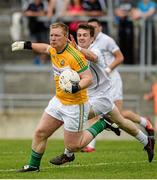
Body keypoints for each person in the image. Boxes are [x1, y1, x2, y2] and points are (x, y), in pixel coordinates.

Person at [11, 22, 120, 172]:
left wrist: (75, 87)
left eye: (57, 36)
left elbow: (88, 78)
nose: (53, 39)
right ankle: (33, 166)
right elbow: (44, 48)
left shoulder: (75, 56)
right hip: (58, 101)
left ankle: (102, 124)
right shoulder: (54, 49)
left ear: (66, 37)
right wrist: (26, 45)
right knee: (40, 133)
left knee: (73, 146)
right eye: (51, 35)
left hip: (76, 105)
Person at [49, 24, 154, 166]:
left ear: (92, 38)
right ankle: (146, 141)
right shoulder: (73, 53)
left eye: (85, 35)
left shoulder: (94, 49)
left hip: (101, 96)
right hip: (89, 95)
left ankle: (69, 153)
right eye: (79, 35)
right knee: (121, 122)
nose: (81, 38)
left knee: (74, 115)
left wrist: (77, 48)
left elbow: (92, 56)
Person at [81, 18, 154, 153]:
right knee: (101, 114)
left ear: (100, 28)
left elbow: (120, 57)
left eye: (94, 27)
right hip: (98, 84)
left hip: (112, 80)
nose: (91, 29)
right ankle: (90, 146)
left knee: (117, 114)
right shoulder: (86, 42)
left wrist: (107, 70)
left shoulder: (106, 40)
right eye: (89, 27)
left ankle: (144, 121)